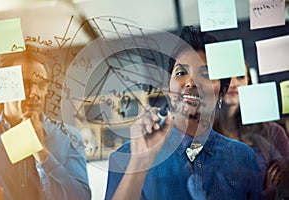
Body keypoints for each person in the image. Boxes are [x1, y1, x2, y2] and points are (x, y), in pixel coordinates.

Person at [105, 26, 263, 199]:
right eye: (181, 73)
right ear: (168, 86)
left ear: (223, 91)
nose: (191, 82)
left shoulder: (242, 157)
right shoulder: (126, 158)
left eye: (206, 74)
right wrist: (139, 162)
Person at [0, 46, 91, 200]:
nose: (34, 93)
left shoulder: (68, 137)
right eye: (24, 84)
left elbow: (82, 198)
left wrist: (42, 153)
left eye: (41, 84)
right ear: (2, 87)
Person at [213, 64, 289, 199]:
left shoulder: (273, 132)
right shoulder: (202, 138)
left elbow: (284, 188)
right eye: (225, 77)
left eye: (240, 76)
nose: (233, 83)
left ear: (248, 82)